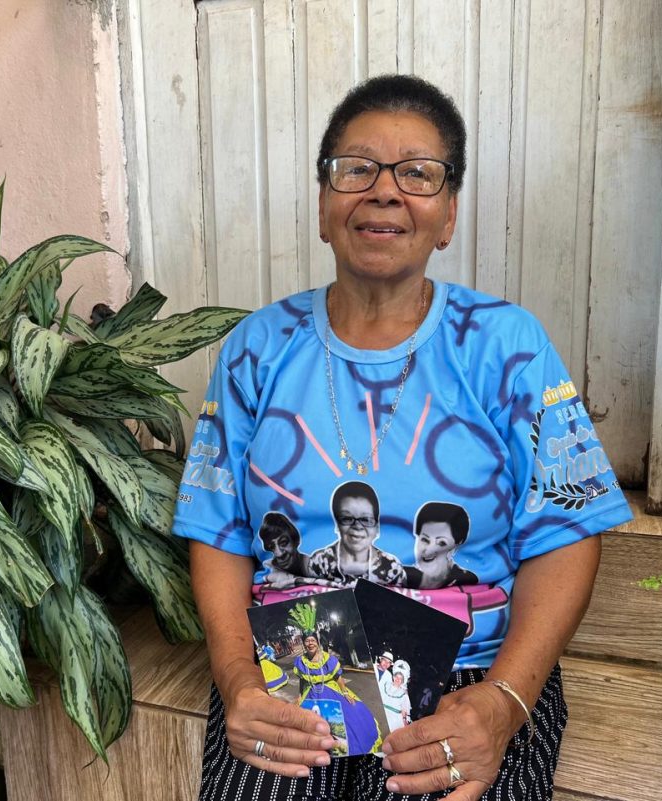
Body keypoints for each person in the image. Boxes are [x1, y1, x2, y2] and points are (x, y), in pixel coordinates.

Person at [174, 73, 633, 800]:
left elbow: (567, 532)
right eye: (356, 168)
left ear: (447, 215)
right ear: (323, 206)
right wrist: (238, 683)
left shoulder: (505, 346)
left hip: (467, 672)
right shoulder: (257, 349)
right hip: (293, 665)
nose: (384, 191)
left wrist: (503, 702)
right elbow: (218, 529)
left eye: (417, 173)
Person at [293, 632, 382, 756]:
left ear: (317, 642)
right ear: (304, 643)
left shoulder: (328, 659)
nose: (310, 643)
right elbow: (302, 680)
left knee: (349, 717)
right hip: (311, 695)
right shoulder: (301, 661)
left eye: (312, 640)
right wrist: (300, 695)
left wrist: (345, 692)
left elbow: (338, 677)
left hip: (331, 690)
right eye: (307, 641)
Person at [309, 481, 405, 585]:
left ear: (377, 528)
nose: (357, 526)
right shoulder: (320, 562)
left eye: (365, 519)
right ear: (337, 524)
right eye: (347, 518)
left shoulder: (391, 567)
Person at [404, 501, 480, 589]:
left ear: (455, 547)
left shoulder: (468, 579)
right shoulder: (400, 574)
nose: (429, 550)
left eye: (441, 543)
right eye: (425, 540)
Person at [259, 512, 310, 588]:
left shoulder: (312, 565)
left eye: (283, 542)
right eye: (272, 547)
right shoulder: (268, 568)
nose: (279, 554)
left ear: (295, 540)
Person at [379, 660, 412, 732]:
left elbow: (404, 710)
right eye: (396, 677)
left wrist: (404, 721)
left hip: (394, 719)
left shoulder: (403, 693)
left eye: (400, 679)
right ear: (393, 677)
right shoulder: (386, 685)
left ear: (402, 681)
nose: (398, 679)